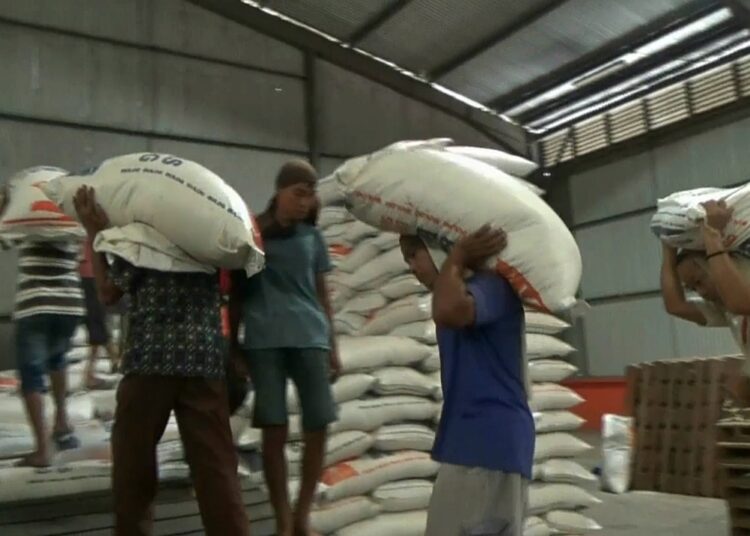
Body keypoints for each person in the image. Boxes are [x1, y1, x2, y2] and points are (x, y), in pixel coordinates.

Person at [72, 186, 250, 536]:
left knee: (133, 468)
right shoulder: (209, 244)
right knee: (216, 470)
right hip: (203, 362)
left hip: (150, 361)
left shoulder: (143, 243)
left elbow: (107, 292)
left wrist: (95, 234)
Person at [399, 226, 534, 536]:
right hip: (479, 442)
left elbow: (449, 311)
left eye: (414, 256)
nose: (412, 268)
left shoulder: (490, 286)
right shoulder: (463, 290)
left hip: (487, 443)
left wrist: (457, 257)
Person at [229, 160, 340, 536]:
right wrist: (233, 347)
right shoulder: (255, 233)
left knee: (318, 425)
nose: (305, 202)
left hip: (310, 337)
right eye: (298, 193)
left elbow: (323, 295)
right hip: (264, 341)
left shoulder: (313, 238)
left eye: (311, 195)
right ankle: (281, 519)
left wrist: (333, 346)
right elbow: (237, 296)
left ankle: (302, 513)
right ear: (279, 191)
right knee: (273, 429)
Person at [661, 199, 750, 402]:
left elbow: (742, 303)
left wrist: (712, 236)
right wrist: (668, 250)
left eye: (699, 281)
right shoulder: (725, 309)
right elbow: (676, 306)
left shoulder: (739, 298)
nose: (700, 292)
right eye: (692, 289)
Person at [11, 235, 84, 467]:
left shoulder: (27, 207)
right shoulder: (69, 209)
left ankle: (43, 449)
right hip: (69, 301)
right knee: (58, 360)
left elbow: (5, 237)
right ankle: (61, 423)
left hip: (36, 300)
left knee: (31, 373)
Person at [79, 238, 119, 388]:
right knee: (97, 323)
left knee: (97, 322)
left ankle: (114, 362)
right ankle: (91, 373)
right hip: (90, 275)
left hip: (87, 274)